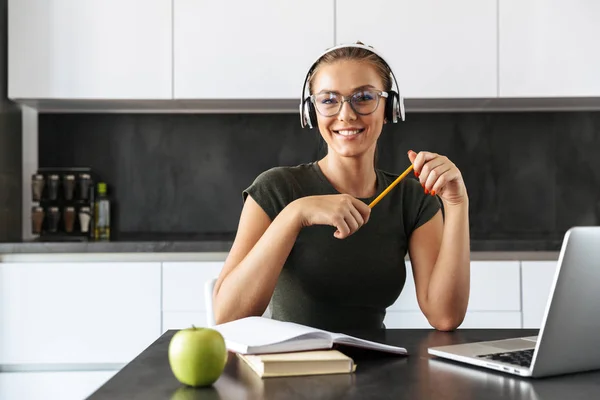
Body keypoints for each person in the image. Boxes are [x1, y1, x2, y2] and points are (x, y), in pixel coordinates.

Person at [213, 42, 470, 332]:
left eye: (363, 97)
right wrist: (296, 214)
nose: (346, 115)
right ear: (312, 112)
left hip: (379, 370)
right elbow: (227, 316)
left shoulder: (411, 199)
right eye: (328, 100)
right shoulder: (276, 189)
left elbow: (445, 316)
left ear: (390, 108)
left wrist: (457, 203)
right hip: (290, 370)